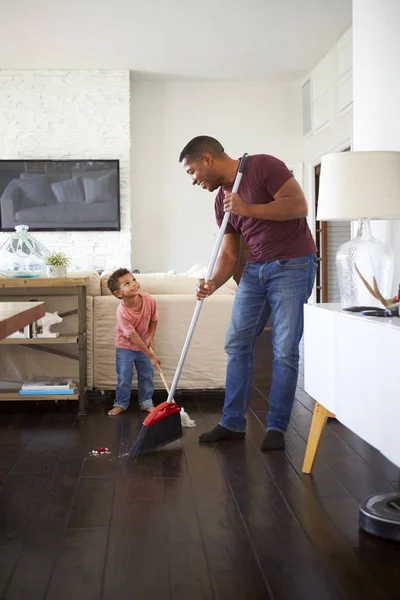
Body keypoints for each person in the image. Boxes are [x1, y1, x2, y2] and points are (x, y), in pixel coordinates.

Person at [179, 136, 317, 450]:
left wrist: (247, 208)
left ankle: (277, 427)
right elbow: (229, 255)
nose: (192, 180)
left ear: (208, 159)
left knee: (284, 349)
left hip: (293, 265)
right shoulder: (220, 201)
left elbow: (299, 206)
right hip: (256, 271)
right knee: (237, 343)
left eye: (192, 171)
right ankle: (232, 422)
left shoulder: (263, 165)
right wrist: (212, 282)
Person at [106, 268, 161, 416]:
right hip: (125, 347)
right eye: (127, 283)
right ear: (118, 293)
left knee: (147, 374)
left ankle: (146, 402)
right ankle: (121, 403)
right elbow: (133, 337)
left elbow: (154, 320)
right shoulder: (122, 312)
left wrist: (151, 336)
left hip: (144, 345)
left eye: (134, 280)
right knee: (124, 375)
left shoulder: (149, 299)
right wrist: (150, 355)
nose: (134, 284)